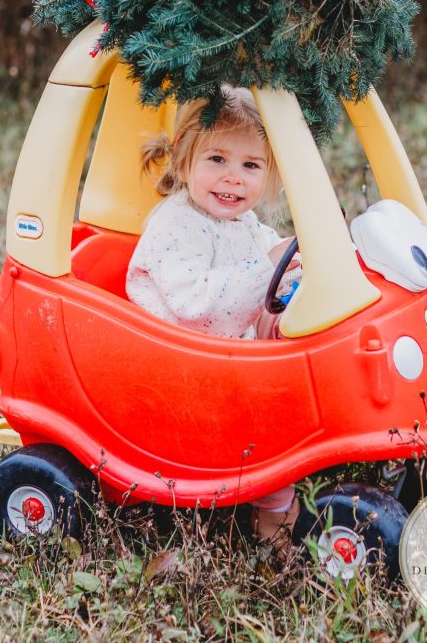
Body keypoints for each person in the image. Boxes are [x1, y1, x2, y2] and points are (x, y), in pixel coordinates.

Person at [126, 86, 301, 559]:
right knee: (273, 418)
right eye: (217, 159)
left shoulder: (243, 224)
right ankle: (272, 511)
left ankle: (277, 487)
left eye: (250, 165)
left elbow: (269, 266)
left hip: (222, 360)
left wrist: (295, 265)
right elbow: (200, 310)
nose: (233, 178)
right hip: (175, 375)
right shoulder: (175, 225)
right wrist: (269, 267)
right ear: (183, 161)